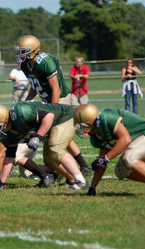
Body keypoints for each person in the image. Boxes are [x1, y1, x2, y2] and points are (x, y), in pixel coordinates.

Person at [15, 34, 92, 177]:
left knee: (58, 135)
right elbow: (34, 86)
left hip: (60, 98)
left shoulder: (45, 62)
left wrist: (54, 110)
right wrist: (26, 102)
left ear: (33, 50)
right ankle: (81, 166)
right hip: (47, 100)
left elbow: (56, 89)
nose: (20, 54)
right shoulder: (26, 65)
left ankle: (82, 167)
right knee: (57, 135)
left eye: (23, 50)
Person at [74, 104, 145, 198]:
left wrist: (106, 159)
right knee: (121, 171)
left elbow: (125, 139)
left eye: (81, 125)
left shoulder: (106, 117)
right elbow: (102, 162)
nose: (80, 128)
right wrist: (92, 187)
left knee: (129, 158)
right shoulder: (96, 135)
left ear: (89, 121)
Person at [0, 104, 64, 190]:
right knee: (26, 173)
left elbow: (2, 156)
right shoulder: (9, 130)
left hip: (43, 132)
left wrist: (38, 137)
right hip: (30, 139)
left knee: (17, 155)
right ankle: (56, 171)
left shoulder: (19, 117)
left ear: (5, 121)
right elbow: (9, 155)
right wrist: (1, 183)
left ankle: (49, 177)